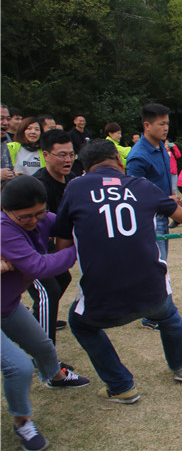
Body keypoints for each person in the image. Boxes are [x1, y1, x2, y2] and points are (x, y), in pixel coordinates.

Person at [53, 140, 182, 403]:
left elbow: (62, 245)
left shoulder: (75, 188)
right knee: (168, 314)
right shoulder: (142, 186)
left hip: (102, 300)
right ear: (118, 159)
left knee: (80, 324)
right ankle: (181, 366)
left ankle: (121, 385)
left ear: (86, 166)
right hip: (152, 293)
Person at [2, 175, 90, 451]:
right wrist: (78, 250)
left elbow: (66, 222)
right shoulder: (4, 230)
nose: (34, 221)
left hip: (8, 305)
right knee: (19, 367)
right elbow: (38, 266)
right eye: (25, 217)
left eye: (39, 213)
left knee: (42, 345)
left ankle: (55, 377)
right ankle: (22, 422)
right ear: (6, 211)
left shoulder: (42, 219)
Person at [126, 104, 178, 331]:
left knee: (160, 263)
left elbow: (162, 181)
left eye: (167, 123)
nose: (166, 128)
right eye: (161, 124)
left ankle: (158, 308)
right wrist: (166, 199)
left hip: (163, 214)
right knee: (156, 265)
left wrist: (172, 197)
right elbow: (134, 194)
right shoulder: (138, 156)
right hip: (150, 218)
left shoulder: (161, 148)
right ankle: (152, 316)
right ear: (146, 125)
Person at [28, 130, 76, 348]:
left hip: (49, 249)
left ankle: (37, 320)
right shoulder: (37, 186)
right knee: (48, 291)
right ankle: (46, 358)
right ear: (46, 155)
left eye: (71, 154)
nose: (68, 160)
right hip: (29, 250)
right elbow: (41, 226)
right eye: (62, 155)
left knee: (62, 279)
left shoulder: (73, 181)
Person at [165, 139, 182, 227]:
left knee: (174, 190)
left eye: (169, 143)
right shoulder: (162, 151)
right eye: (166, 143)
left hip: (174, 172)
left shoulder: (172, 152)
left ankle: (176, 208)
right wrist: (165, 148)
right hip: (166, 172)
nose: (168, 144)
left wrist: (174, 147)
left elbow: (178, 155)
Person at [1, 104, 16, 181]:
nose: (5, 123)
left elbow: (10, 167)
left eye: (8, 119)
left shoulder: (6, 139)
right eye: (1, 118)